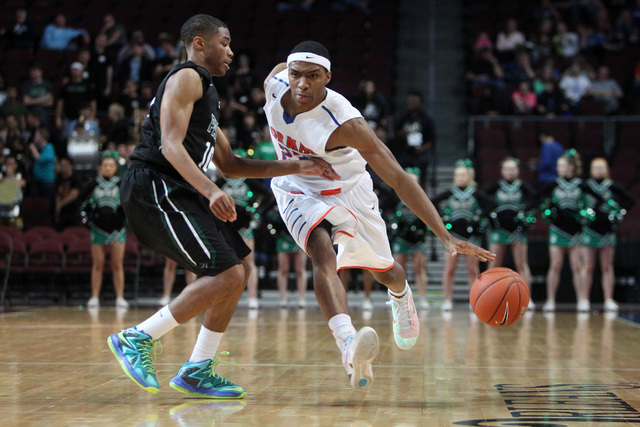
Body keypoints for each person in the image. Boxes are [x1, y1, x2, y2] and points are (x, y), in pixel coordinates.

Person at [108, 15, 336, 399]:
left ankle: (198, 367)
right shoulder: (187, 77)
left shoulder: (207, 95)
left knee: (239, 268)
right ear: (200, 43)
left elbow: (232, 165)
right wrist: (212, 191)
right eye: (225, 43)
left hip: (180, 189)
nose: (231, 52)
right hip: (156, 186)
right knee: (229, 274)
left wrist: (297, 165)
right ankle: (138, 337)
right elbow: (169, 145)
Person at [263, 41, 494, 389]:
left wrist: (444, 235)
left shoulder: (347, 123)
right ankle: (348, 344)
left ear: (328, 77)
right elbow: (281, 67)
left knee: (385, 271)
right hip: (296, 187)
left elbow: (400, 179)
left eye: (313, 76)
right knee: (321, 249)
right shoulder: (274, 82)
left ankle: (401, 295)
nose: (302, 84)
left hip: (349, 189)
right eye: (297, 75)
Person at [536, 150, 596, 312]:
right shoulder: (554, 185)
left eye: (562, 165)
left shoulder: (580, 185)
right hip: (557, 229)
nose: (559, 169)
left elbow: (596, 201)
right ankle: (550, 300)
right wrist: (548, 211)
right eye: (558, 166)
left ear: (570, 167)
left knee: (577, 266)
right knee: (555, 265)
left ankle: (582, 300)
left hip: (575, 230)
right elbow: (538, 198)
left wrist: (584, 215)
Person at [432, 159, 495, 311]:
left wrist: (479, 217)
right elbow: (431, 202)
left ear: (469, 176)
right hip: (453, 236)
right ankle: (447, 300)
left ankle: (474, 300)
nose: (460, 178)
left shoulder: (475, 193)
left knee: (472, 270)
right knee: (449, 269)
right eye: (457, 175)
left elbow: (492, 205)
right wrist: (443, 217)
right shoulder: (450, 193)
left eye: (463, 175)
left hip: (471, 236)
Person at [581, 158, 635, 312]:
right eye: (595, 168)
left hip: (607, 230)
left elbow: (630, 200)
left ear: (606, 170)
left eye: (601, 168)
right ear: (591, 170)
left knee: (606, 266)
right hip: (590, 229)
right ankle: (584, 299)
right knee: (588, 266)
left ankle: (608, 299)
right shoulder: (585, 187)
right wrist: (584, 214)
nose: (598, 171)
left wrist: (617, 212)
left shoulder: (611, 186)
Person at [484, 157, 535, 309]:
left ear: (518, 171)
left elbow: (536, 199)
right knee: (493, 264)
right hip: (500, 229)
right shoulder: (497, 186)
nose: (510, 172)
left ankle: (527, 298)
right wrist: (492, 214)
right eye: (507, 169)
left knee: (521, 264)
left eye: (513, 169)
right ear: (502, 171)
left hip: (517, 230)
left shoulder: (522, 187)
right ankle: (487, 297)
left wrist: (525, 214)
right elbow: (480, 197)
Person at [81, 153, 128, 309]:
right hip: (98, 227)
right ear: (101, 168)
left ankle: (120, 297)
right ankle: (94, 296)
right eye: (105, 165)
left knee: (117, 264)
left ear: (115, 168)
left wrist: (124, 217)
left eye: (111, 165)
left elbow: (129, 203)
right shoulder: (93, 184)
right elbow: (82, 203)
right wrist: (87, 216)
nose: (107, 168)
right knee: (98, 264)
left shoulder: (121, 183)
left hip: (117, 228)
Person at [387, 167, 429, 309]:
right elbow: (391, 216)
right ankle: (398, 299)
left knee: (419, 268)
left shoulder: (422, 198)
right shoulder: (396, 198)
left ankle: (422, 298)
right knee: (398, 270)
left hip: (417, 239)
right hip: (401, 238)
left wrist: (422, 232)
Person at [394, 90, 436, 189]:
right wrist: (404, 133)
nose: (412, 103)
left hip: (420, 153)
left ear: (420, 102)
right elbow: (396, 134)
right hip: (405, 151)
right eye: (410, 100)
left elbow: (431, 140)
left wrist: (422, 149)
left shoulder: (426, 119)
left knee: (422, 175)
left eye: (414, 101)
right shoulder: (403, 118)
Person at [28, 127, 56, 207]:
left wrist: (33, 148)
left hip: (46, 182)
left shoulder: (49, 147)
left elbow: (40, 159)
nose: (34, 138)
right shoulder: (40, 148)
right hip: (38, 181)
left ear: (42, 137)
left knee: (47, 203)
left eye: (36, 136)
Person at [54, 157, 82, 230]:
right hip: (62, 215)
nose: (63, 167)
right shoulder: (58, 179)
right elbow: (57, 194)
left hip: (73, 212)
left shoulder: (75, 178)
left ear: (70, 165)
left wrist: (61, 204)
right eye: (62, 165)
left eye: (65, 165)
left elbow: (74, 195)